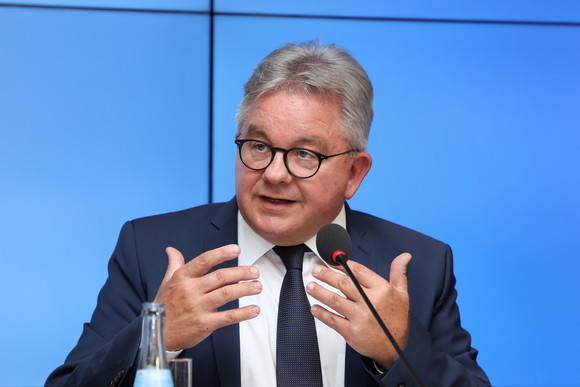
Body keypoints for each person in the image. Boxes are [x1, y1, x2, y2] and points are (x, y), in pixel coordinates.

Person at [46, 41, 490, 386]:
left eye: (303, 154)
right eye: (258, 146)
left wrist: (399, 350)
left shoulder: (418, 265)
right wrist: (155, 335)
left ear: (354, 172)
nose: (274, 173)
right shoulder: (154, 251)